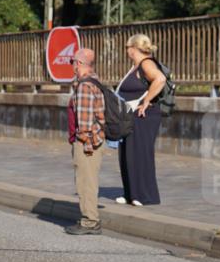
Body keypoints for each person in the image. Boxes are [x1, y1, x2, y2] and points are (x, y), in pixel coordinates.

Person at [116, 33, 165, 207]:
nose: (126, 51)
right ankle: (130, 192)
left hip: (144, 116)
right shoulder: (134, 66)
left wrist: (146, 101)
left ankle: (144, 195)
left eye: (127, 47)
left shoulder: (146, 63)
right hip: (130, 116)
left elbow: (160, 79)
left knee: (140, 153)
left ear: (134, 48)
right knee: (127, 154)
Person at [64, 48, 106, 236]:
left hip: (88, 142)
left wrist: (85, 145)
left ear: (79, 64)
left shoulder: (84, 87)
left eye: (74, 62)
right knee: (88, 180)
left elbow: (85, 122)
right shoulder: (94, 81)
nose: (72, 66)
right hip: (93, 140)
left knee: (86, 182)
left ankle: (90, 221)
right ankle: (89, 218)